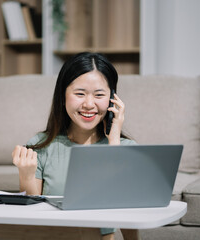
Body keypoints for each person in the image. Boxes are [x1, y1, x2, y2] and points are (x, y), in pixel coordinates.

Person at [12, 52, 136, 240]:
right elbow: (33, 222)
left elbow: (129, 214)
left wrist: (114, 143)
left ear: (112, 99)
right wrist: (27, 176)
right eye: (79, 94)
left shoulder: (125, 148)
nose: (88, 104)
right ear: (63, 96)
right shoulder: (40, 145)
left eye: (99, 95)